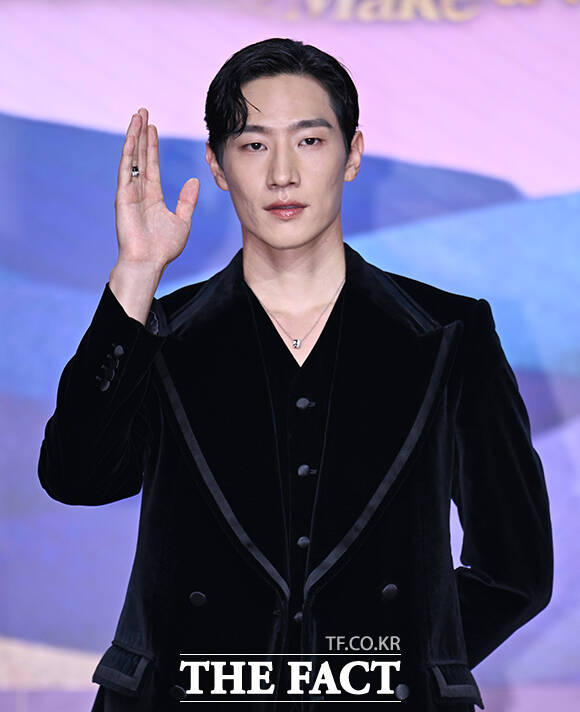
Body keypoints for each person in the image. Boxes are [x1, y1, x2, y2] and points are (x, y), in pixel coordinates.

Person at [37, 38, 553, 712]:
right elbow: (76, 478)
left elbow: (515, 569)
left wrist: (396, 666)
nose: (282, 174)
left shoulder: (452, 335)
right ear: (218, 165)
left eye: (309, 141)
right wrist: (136, 274)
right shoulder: (158, 334)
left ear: (353, 153)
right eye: (253, 145)